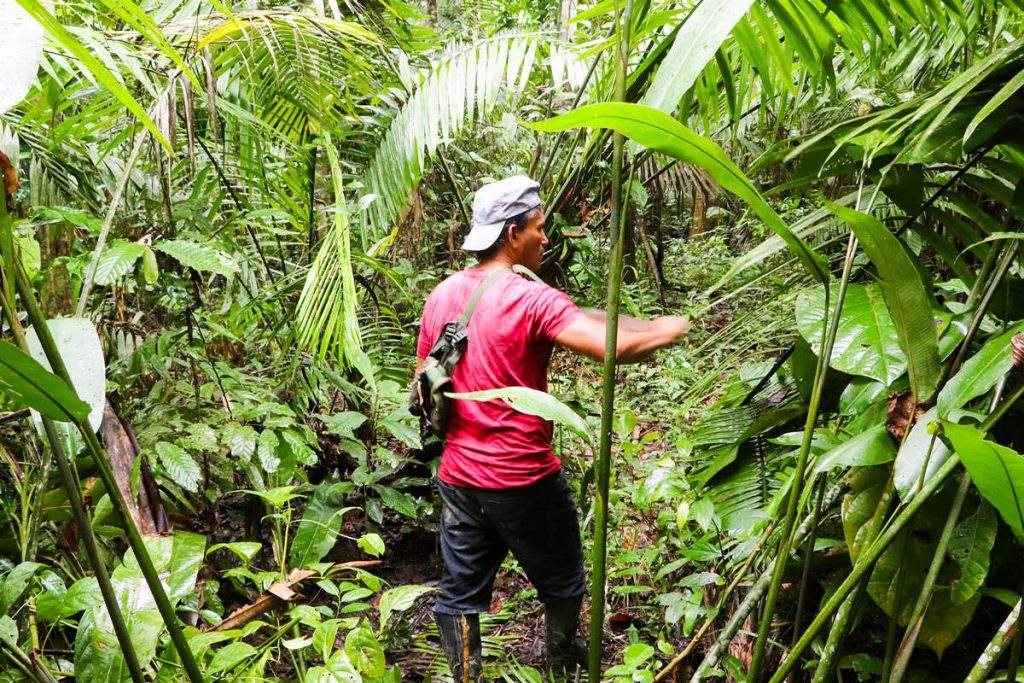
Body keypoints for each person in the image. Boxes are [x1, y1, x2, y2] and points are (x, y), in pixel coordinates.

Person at [415, 175, 689, 680]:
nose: (545, 237)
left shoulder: (445, 293)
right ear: (513, 232)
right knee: (563, 582)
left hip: (458, 477)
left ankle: (465, 676)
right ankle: (563, 667)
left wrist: (639, 323)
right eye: (539, 228)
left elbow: (423, 378)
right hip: (523, 479)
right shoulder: (529, 299)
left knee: (460, 595)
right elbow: (610, 349)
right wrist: (669, 331)